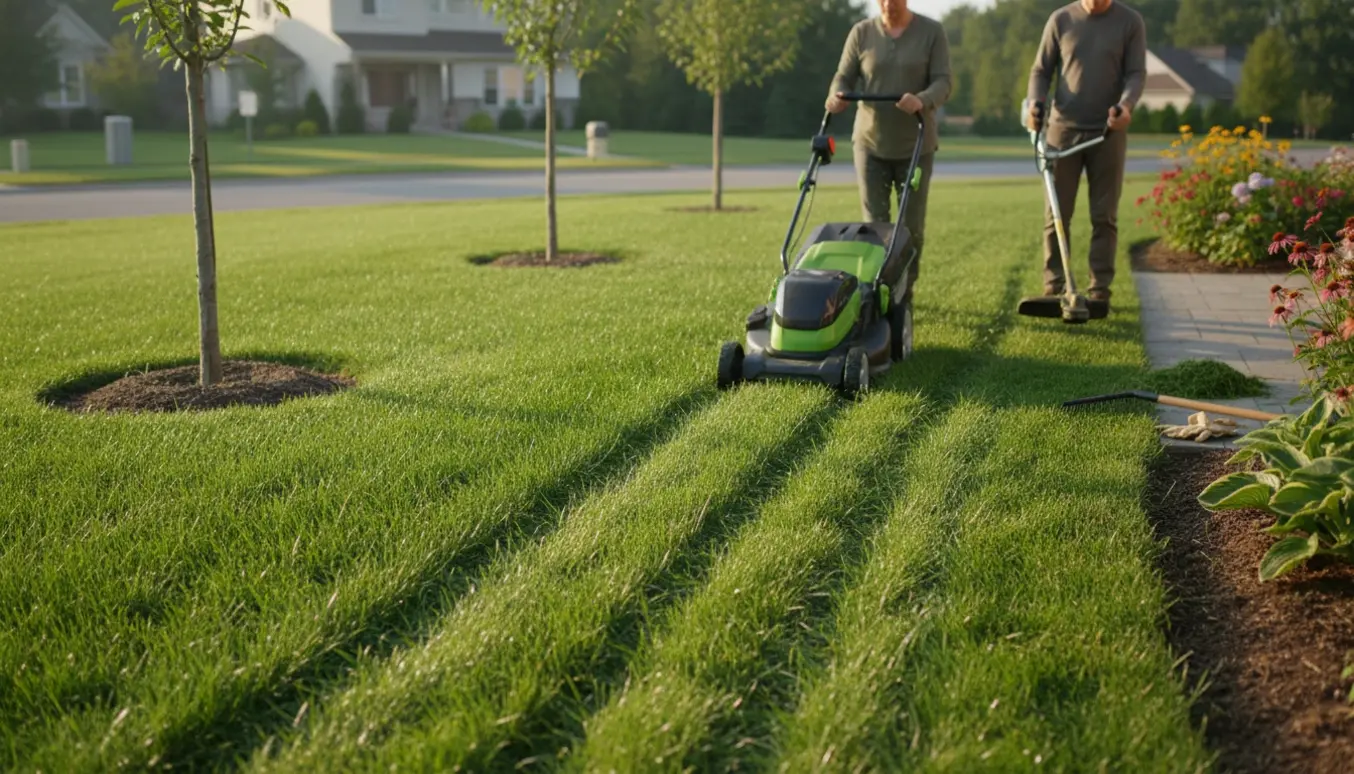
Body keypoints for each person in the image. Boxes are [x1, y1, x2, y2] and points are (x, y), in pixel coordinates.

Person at [826, 0, 951, 305]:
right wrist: (836, 95)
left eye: (893, 0)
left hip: (916, 145)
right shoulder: (862, 32)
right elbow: (844, 76)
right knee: (875, 224)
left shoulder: (931, 32)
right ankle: (876, 290)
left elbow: (944, 82)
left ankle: (904, 292)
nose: (887, 5)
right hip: (870, 142)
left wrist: (922, 99)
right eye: (881, 0)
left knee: (911, 227)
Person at [1027, 0, 1146, 305]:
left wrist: (1127, 106)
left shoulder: (1130, 22)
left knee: (1104, 215)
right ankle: (1055, 285)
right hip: (1062, 131)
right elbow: (1041, 70)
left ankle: (1099, 291)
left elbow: (1135, 73)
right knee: (1056, 214)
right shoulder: (1061, 19)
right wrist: (1035, 103)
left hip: (1108, 131)